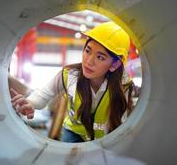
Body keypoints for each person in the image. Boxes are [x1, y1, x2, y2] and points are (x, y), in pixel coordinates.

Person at [11, 21, 139, 142]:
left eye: (100, 57)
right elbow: (44, 94)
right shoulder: (69, 75)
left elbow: (124, 121)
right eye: (88, 51)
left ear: (115, 65)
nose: (89, 61)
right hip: (73, 133)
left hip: (106, 137)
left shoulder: (124, 85)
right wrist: (30, 103)